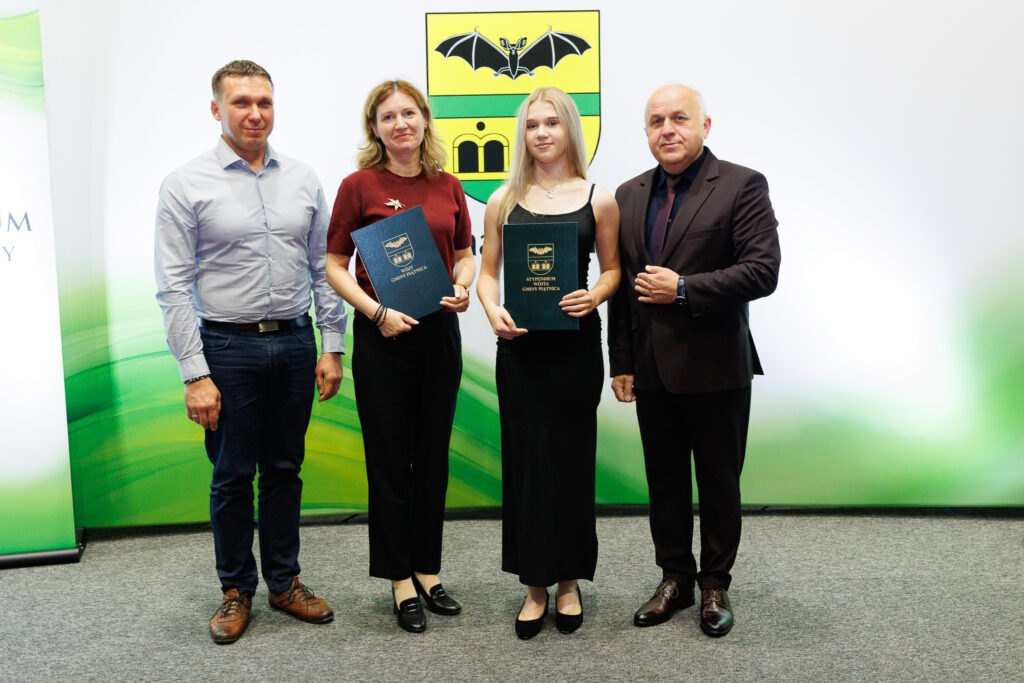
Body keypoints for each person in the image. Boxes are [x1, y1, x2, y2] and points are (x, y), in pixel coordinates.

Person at [154, 60, 347, 644]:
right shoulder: (185, 184)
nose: (255, 113)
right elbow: (173, 286)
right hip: (226, 348)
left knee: (285, 470)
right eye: (241, 103)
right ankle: (236, 589)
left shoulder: (304, 179)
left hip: (294, 342)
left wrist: (332, 345)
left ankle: (285, 582)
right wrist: (194, 374)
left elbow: (322, 268)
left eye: (264, 102)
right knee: (233, 476)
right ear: (217, 109)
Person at [608, 84, 781, 637]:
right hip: (651, 368)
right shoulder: (629, 194)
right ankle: (675, 579)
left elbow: (763, 271)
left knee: (719, 483)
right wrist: (621, 361)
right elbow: (623, 289)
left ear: (705, 125)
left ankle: (714, 585)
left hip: (716, 366)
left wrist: (683, 288)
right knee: (664, 484)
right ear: (646, 131)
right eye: (656, 121)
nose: (668, 129)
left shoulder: (741, 185)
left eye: (679, 118)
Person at [325, 80, 474, 634]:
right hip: (383, 337)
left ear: (424, 119)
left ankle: (427, 570)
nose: (400, 124)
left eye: (409, 113)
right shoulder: (358, 186)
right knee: (389, 461)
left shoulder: (448, 185)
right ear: (374, 128)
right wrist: (375, 312)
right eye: (387, 117)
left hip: (438, 335)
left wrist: (462, 285)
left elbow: (465, 253)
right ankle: (398, 579)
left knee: (432, 458)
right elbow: (334, 264)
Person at [476, 87, 620, 639]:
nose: (541, 133)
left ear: (569, 131)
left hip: (576, 348)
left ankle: (568, 582)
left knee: (572, 463)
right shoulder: (503, 200)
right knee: (528, 466)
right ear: (523, 133)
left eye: (552, 123)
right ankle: (534, 586)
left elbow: (613, 269)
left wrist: (595, 294)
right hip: (521, 350)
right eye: (533, 124)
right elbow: (488, 273)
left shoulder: (599, 199)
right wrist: (492, 309)